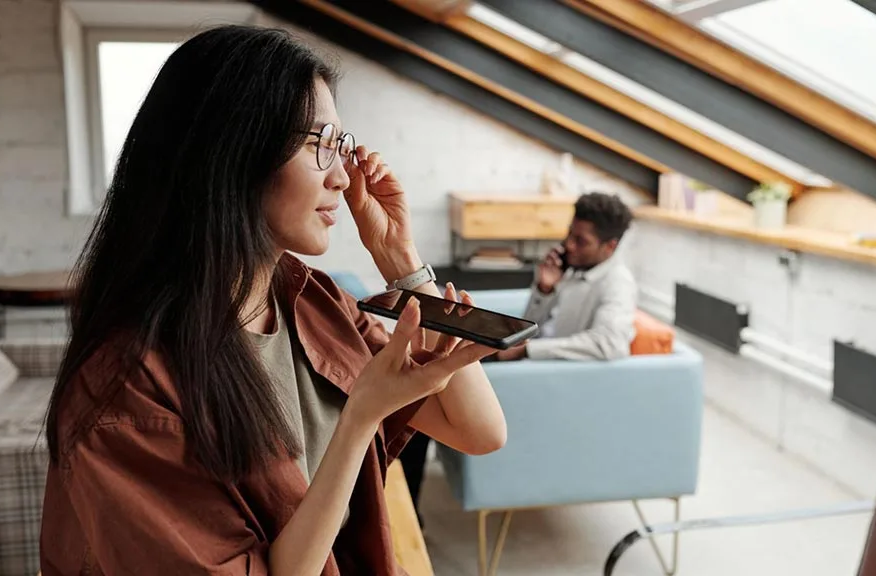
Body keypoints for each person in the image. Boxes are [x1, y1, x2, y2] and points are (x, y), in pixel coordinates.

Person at [39, 26, 507, 576]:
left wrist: (400, 258)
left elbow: (481, 432)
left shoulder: (312, 300)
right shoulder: (124, 389)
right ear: (233, 154)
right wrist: (360, 419)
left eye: (342, 144)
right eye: (318, 144)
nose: (341, 175)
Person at [494, 191, 637, 361]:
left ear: (610, 246)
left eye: (581, 241)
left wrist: (527, 350)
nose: (569, 245)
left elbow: (608, 343)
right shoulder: (571, 267)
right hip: (528, 360)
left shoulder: (618, 283)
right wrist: (544, 290)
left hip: (547, 370)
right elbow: (526, 329)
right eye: (569, 234)